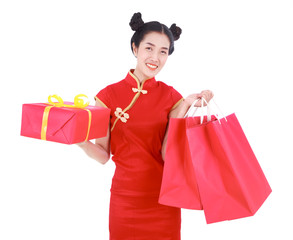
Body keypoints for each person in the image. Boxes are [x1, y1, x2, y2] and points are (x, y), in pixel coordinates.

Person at [77, 12, 213, 240]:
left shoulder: (172, 97)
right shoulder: (107, 96)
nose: (155, 57)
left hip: (163, 200)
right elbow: (103, 155)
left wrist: (184, 107)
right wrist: (79, 140)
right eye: (149, 48)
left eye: (163, 52)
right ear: (135, 48)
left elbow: (167, 154)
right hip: (125, 200)